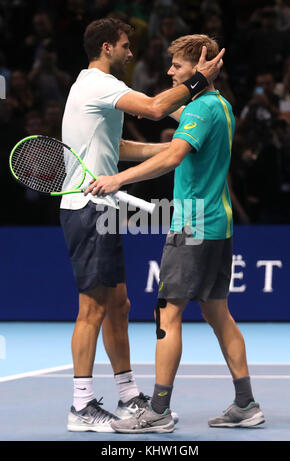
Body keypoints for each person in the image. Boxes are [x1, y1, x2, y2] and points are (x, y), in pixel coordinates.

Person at [85, 33, 265, 433]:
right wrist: (110, 143)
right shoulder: (218, 105)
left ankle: (159, 411)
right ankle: (246, 403)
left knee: (168, 314)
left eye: (177, 67)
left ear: (198, 68)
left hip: (192, 227)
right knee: (219, 313)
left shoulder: (201, 109)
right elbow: (158, 113)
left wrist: (117, 179)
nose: (169, 72)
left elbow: (172, 155)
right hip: (218, 225)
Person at [60, 18, 225, 432]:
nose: (131, 53)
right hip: (87, 205)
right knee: (92, 308)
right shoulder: (98, 84)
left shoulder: (94, 91)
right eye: (125, 45)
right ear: (105, 48)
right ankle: (80, 406)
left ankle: (129, 393)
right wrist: (196, 82)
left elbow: (116, 148)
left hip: (103, 205)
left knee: (120, 306)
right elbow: (155, 108)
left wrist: (174, 148)